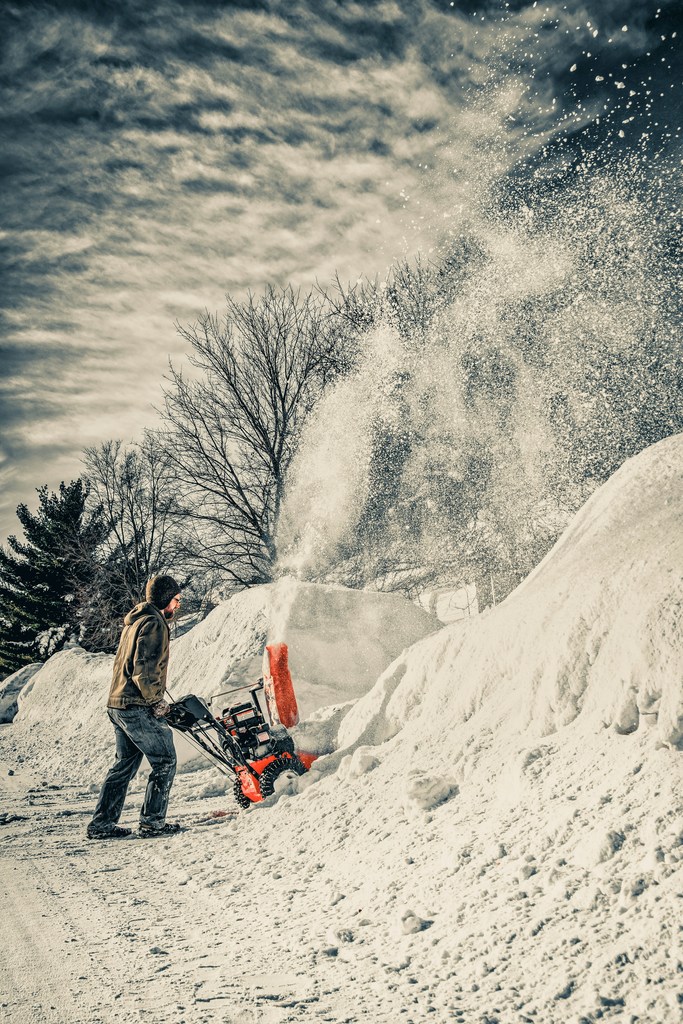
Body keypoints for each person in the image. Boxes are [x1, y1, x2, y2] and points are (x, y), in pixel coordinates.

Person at [87, 575, 182, 840]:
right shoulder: (154, 623)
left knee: (124, 766)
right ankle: (152, 823)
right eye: (176, 599)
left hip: (118, 703)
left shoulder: (135, 620)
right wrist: (156, 701)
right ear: (165, 599)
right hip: (135, 706)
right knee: (165, 760)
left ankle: (101, 825)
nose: (178, 605)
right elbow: (145, 668)